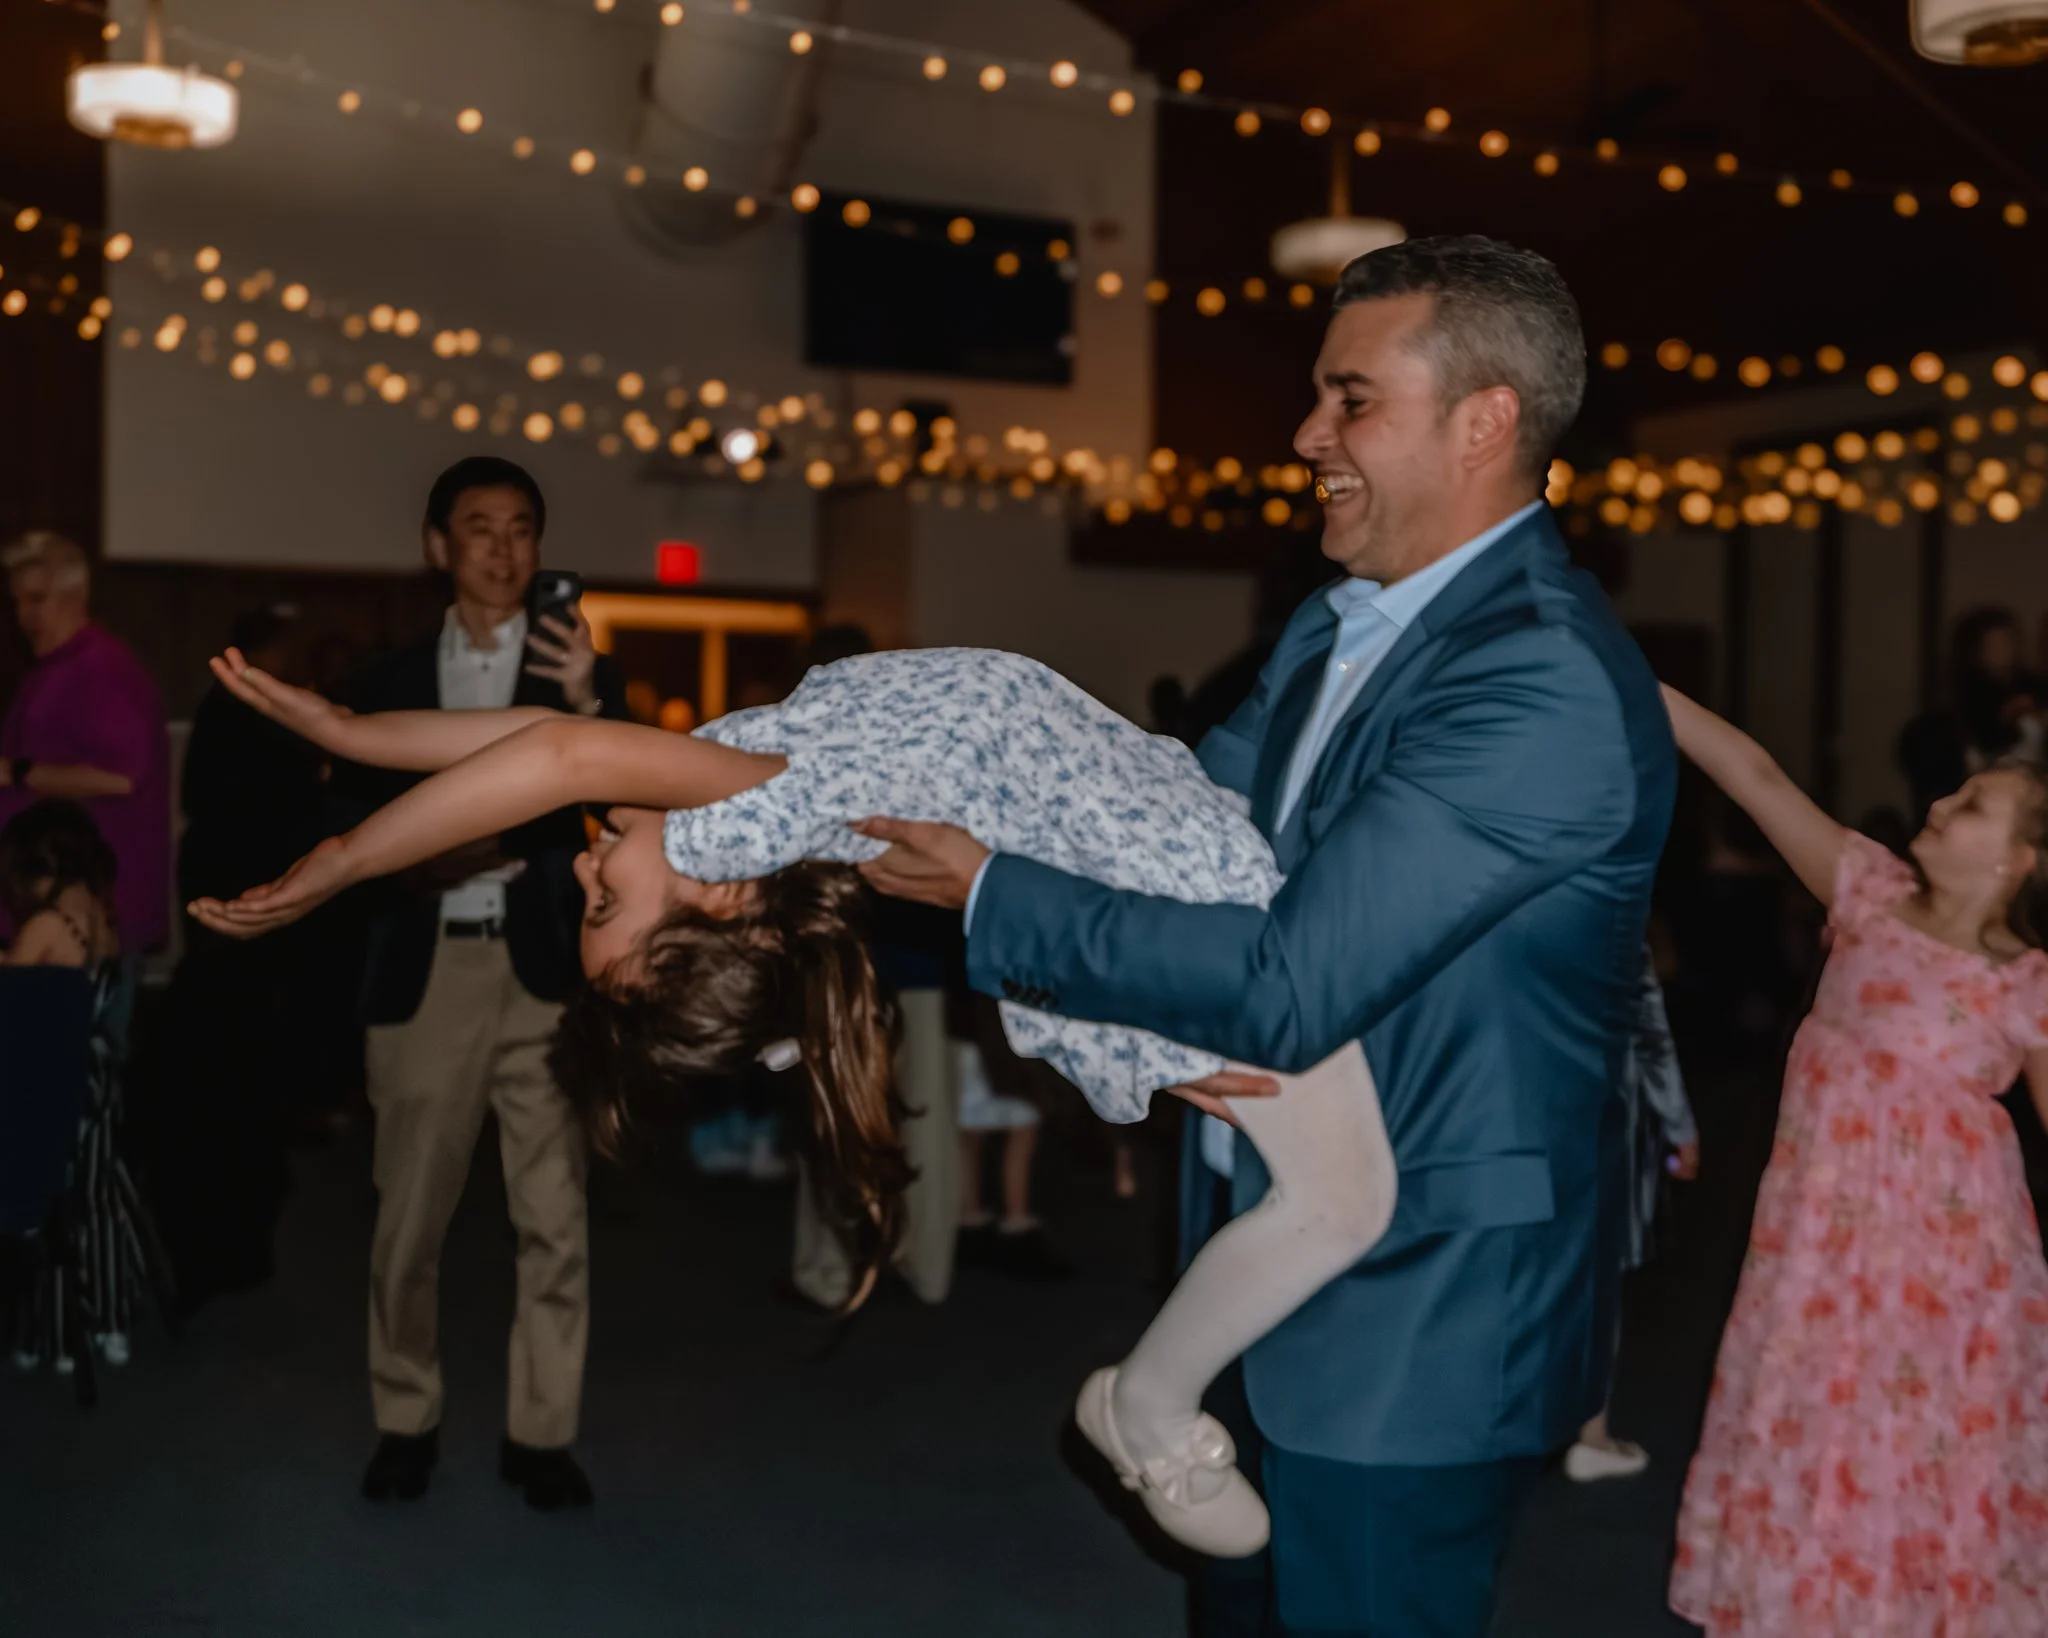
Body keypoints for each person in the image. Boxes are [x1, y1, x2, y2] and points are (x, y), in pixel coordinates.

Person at [856, 235, 1676, 1638]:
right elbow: (1163, 839)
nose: (1307, 435)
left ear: (1485, 420)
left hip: (1419, 1300)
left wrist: (989, 894)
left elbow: (1289, 982)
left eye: (1351, 398)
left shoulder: (1539, 676)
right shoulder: (1331, 624)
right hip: (1250, 1251)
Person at [191, 639, 1386, 1561]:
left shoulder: (740, 803)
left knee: (1337, 1192)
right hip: (1130, 855)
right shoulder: (732, 821)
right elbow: (552, 753)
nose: (581, 864)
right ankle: (1147, 1401)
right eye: (607, 903)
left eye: (590, 899)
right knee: (1340, 1199)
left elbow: (546, 739)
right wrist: (340, 864)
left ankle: (1150, 1399)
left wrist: (351, 736)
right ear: (710, 903)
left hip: (1115, 837)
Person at [1662, 683, 2048, 1636]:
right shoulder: (1866, 890)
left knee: (1915, 1438)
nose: (1939, 805)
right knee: (1813, 1414)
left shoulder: (2029, 982)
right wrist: (1628, 674)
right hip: (1820, 1257)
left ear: (2016, 862)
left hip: (1945, 1274)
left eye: (1971, 809)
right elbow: (1753, 774)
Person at [326, 457, 626, 1511]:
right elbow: (343, 839)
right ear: (436, 545)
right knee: (407, 1223)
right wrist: (421, 863)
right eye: (479, 527)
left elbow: (637, 805)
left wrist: (589, 699)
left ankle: (541, 1432)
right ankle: (404, 1414)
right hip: (427, 972)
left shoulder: (579, 677)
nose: (503, 548)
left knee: (555, 1217)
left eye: (521, 529)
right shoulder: (386, 682)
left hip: (543, 976)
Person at [0, 532, 171, 1047]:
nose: (24, 614)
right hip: (49, 909)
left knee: (67, 1080)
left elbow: (123, 774)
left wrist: (19, 773)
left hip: (85, 921)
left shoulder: (100, 670)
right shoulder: (53, 670)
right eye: (16, 601)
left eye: (37, 599)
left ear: (76, 597)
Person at [1, 800, 130, 1369]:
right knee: (96, 1196)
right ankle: (105, 1319)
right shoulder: (97, 911)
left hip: (56, 1083)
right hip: (95, 1069)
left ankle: (48, 1332)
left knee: (52, 1189)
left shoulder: (47, 923)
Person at [1564, 948, 1698, 1482]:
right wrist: (1680, 1124)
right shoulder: (1607, 897)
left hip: (1506, 1111)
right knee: (1597, 1276)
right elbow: (1647, 1028)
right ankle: (1590, 1434)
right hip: (1598, 1115)